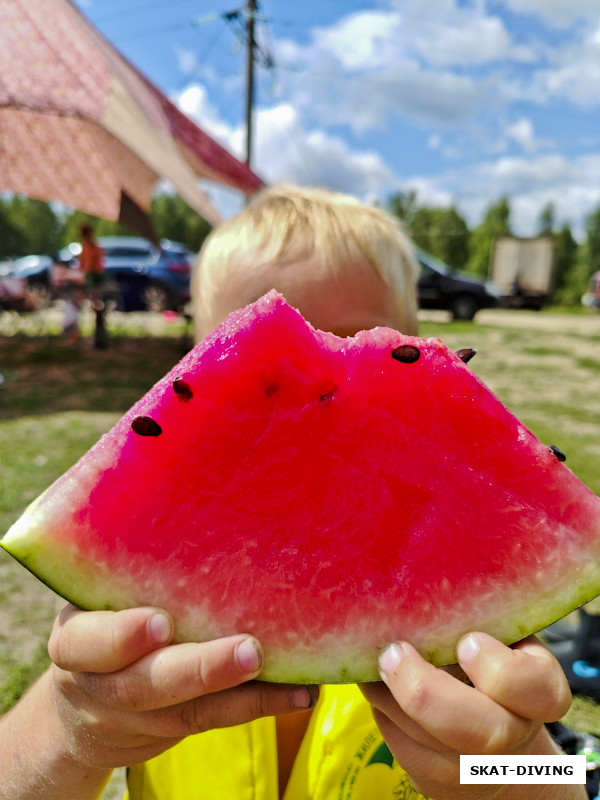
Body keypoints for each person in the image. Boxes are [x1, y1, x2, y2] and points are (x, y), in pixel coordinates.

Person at [0, 185, 587, 800]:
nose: (315, 402)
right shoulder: (135, 634)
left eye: (356, 344)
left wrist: (511, 770)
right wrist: (70, 729)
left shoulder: (473, 653)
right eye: (267, 375)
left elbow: (568, 774)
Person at [79, 223, 108, 349]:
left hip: (93, 279)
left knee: (96, 308)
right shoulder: (94, 246)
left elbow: (88, 265)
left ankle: (98, 339)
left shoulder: (90, 247)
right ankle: (97, 338)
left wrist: (83, 277)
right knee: (97, 309)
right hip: (96, 278)